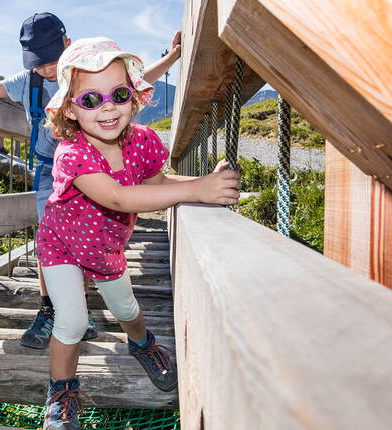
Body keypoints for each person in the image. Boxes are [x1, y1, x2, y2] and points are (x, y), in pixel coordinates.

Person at [0, 12, 183, 349]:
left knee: (88, 231)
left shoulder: (85, 72)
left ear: (67, 45)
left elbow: (133, 80)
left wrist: (172, 57)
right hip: (50, 168)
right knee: (50, 236)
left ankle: (76, 305)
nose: (47, 69)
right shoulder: (27, 81)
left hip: (94, 163)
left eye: (52, 60)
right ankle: (51, 308)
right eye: (38, 63)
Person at [37, 37, 240, 429]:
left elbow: (157, 181)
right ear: (72, 111)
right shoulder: (72, 153)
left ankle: (143, 344)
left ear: (134, 97)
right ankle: (61, 393)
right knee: (72, 321)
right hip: (60, 243)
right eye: (90, 100)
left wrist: (202, 182)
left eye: (118, 93)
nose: (108, 106)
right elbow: (116, 197)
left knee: (127, 308)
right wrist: (196, 192)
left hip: (106, 246)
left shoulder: (144, 141)